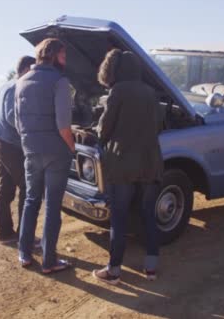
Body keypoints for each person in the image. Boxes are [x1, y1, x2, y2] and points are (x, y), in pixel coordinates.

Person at [92, 49, 164, 285]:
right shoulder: (151, 92)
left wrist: (98, 134)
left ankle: (113, 271)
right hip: (151, 161)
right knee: (148, 215)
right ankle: (151, 268)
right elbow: (158, 125)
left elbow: (104, 129)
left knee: (119, 219)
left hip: (122, 164)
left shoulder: (118, 91)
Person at [15, 38, 75, 274]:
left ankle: (24, 253)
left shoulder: (21, 82)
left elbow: (18, 123)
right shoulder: (59, 82)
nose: (65, 61)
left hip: (30, 150)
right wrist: (71, 147)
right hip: (56, 153)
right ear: (53, 56)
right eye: (64, 56)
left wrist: (29, 143)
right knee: (52, 207)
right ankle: (49, 261)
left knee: (31, 201)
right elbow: (63, 126)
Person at [0, 55, 35, 244]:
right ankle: (26, 236)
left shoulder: (3, 87)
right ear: (26, 69)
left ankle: (6, 233)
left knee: (6, 188)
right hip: (12, 146)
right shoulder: (18, 87)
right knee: (27, 186)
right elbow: (11, 118)